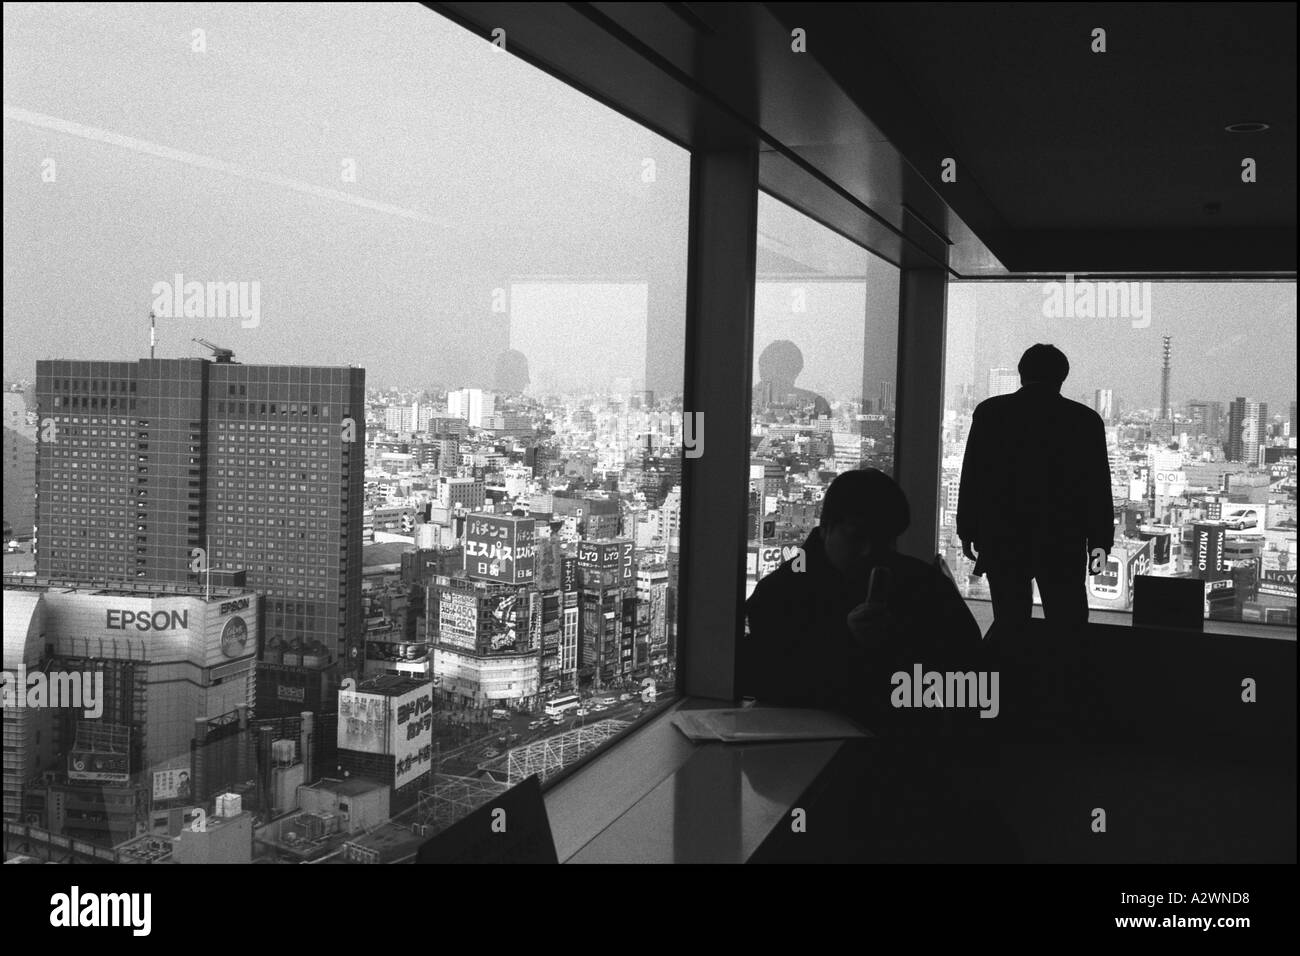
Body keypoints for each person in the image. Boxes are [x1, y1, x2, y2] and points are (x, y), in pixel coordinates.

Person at [742, 469, 984, 734]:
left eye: (882, 540)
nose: (869, 551)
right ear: (826, 527)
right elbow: (768, 680)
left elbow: (974, 683)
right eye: (857, 537)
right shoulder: (924, 586)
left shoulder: (780, 590)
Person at [956, 344, 1114, 635]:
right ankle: (1064, 677)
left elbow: (973, 477)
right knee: (1068, 622)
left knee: (1010, 620)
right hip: (1062, 537)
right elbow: (1098, 489)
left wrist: (967, 529)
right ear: (1062, 377)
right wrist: (1100, 543)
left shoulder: (990, 413)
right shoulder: (1084, 421)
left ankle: (1013, 677)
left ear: (1021, 374)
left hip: (1004, 534)